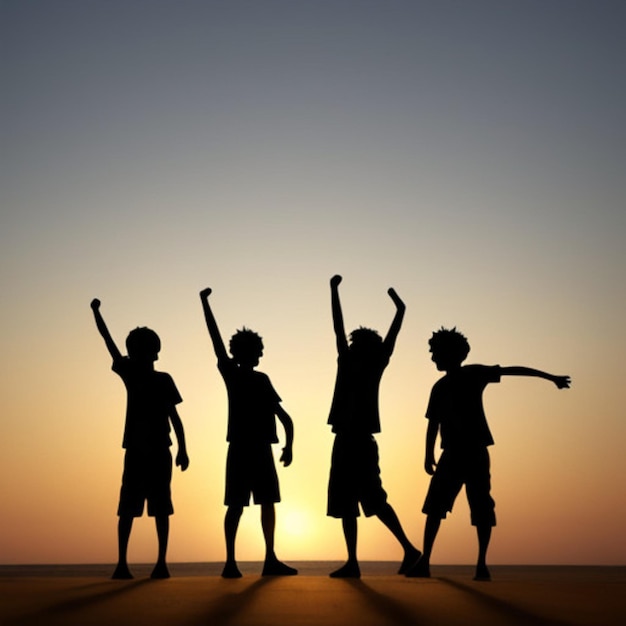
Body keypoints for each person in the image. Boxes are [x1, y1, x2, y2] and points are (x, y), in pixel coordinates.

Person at [406, 327, 571, 581]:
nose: (433, 358)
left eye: (435, 353)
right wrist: (427, 453)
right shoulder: (439, 387)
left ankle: (479, 563)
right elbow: (433, 422)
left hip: (472, 452)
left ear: (451, 353)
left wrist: (550, 378)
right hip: (453, 453)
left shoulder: (473, 374)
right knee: (436, 506)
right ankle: (426, 560)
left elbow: (513, 370)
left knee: (477, 505)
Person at [326, 275, 421, 578]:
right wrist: (397, 305)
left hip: (356, 441)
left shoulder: (362, 362)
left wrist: (334, 291)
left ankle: (406, 550)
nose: (350, 345)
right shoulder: (364, 361)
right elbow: (340, 329)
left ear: (360, 347)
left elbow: (339, 328)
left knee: (370, 500)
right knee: (350, 503)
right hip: (350, 440)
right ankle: (355, 561)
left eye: (354, 344)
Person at [199, 287, 297, 578]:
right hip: (242, 448)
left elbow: (284, 417)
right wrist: (205, 304)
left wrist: (289, 445)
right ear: (244, 353)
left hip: (261, 449)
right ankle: (231, 561)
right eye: (256, 350)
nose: (259, 354)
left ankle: (269, 558)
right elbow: (215, 341)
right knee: (237, 505)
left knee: (266, 503)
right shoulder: (233, 375)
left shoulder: (262, 380)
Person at [90, 298, 189, 579]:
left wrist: (183, 448)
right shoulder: (131, 373)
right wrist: (97, 313)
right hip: (137, 449)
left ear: (153, 353)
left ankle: (161, 562)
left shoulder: (163, 379)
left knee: (160, 507)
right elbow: (108, 341)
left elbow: (174, 416)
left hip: (159, 449)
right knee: (129, 507)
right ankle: (122, 563)